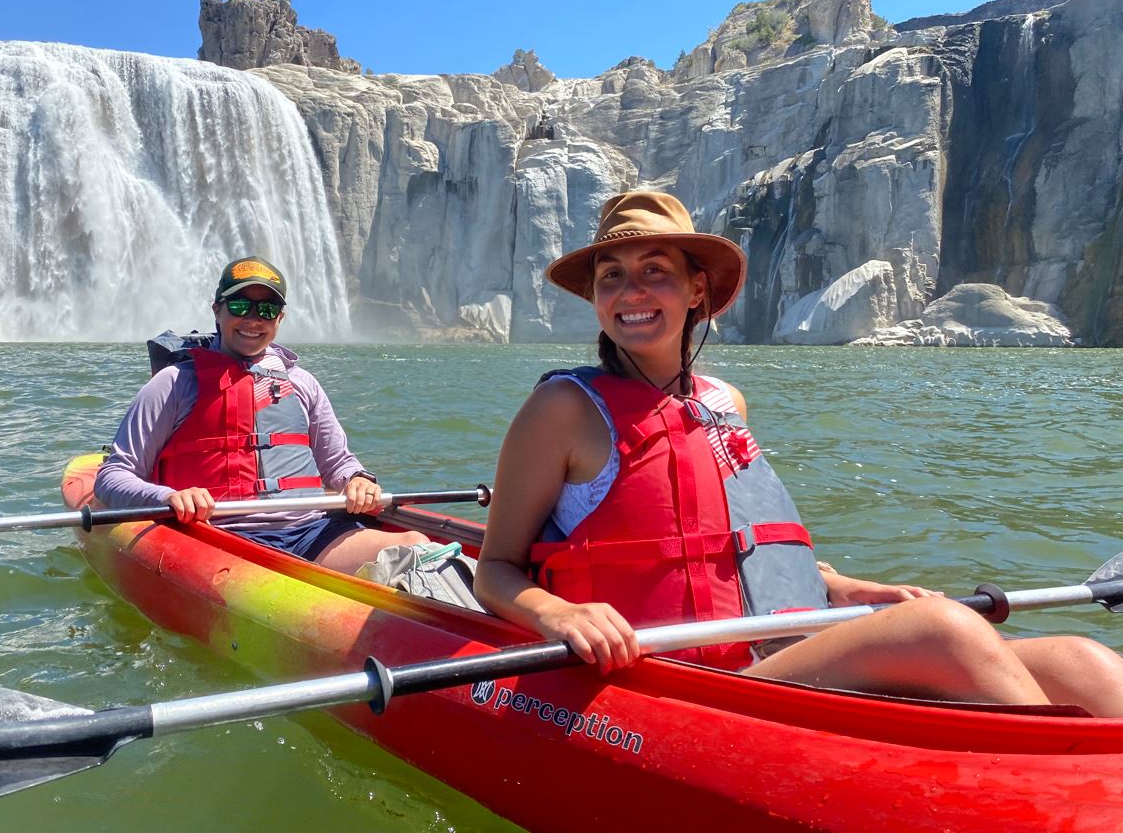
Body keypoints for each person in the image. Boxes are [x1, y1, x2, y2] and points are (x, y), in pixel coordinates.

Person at [474, 190, 1123, 716]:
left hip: (766, 657)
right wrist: (558, 610)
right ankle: (1054, 790)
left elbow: (737, 544)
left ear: (697, 290)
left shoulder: (724, 401)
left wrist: (837, 586)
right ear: (594, 298)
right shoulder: (562, 410)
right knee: (943, 630)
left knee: (1083, 663)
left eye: (655, 273)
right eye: (611, 277)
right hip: (664, 675)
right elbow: (495, 567)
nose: (630, 292)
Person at [95, 255, 426, 575]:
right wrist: (168, 496)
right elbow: (112, 476)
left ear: (280, 319)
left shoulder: (303, 383)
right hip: (219, 536)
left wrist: (357, 481)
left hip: (311, 532)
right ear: (217, 310)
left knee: (415, 546)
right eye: (240, 306)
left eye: (267, 310)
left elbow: (339, 463)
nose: (254, 320)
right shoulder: (173, 384)